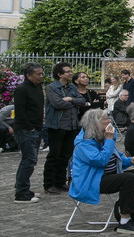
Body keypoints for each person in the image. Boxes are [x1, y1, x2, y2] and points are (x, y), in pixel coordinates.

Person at [69, 108, 134, 234]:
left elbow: (114, 158)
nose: (110, 122)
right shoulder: (83, 143)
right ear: (96, 123)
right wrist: (109, 140)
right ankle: (125, 221)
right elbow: (100, 161)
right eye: (106, 119)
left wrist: (130, 160)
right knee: (127, 179)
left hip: (108, 176)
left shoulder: (102, 137)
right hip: (90, 182)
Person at [43, 62, 87, 195]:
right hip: (57, 126)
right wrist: (72, 102)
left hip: (71, 126)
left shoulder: (72, 88)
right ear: (59, 74)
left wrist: (70, 100)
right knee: (54, 155)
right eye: (67, 71)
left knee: (65, 155)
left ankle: (60, 182)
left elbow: (82, 101)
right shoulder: (51, 88)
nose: (70, 73)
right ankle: (49, 184)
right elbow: (57, 103)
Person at [13, 63, 44, 203]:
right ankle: (21, 192)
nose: (41, 76)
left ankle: (23, 188)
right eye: (38, 74)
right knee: (28, 160)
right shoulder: (22, 89)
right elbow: (20, 111)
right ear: (28, 75)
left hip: (36, 128)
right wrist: (30, 127)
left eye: (41, 73)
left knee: (31, 160)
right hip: (26, 129)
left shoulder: (38, 87)